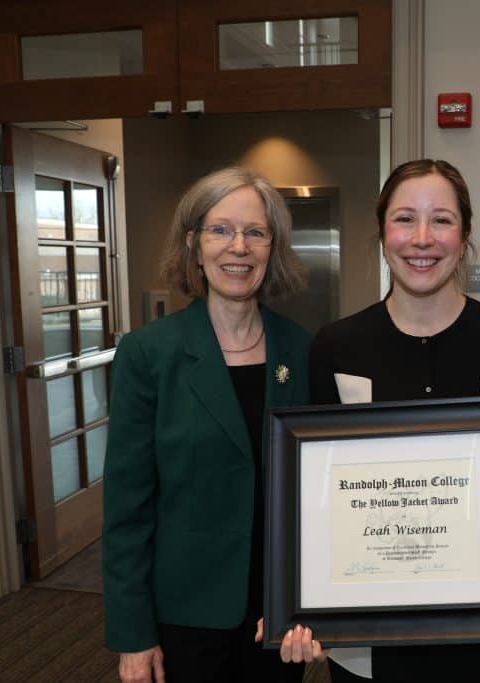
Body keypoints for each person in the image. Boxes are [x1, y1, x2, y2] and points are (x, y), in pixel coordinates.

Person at [274, 159, 480, 682]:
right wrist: (303, 604)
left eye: (443, 220)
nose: (422, 239)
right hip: (369, 638)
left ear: (466, 234)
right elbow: (314, 497)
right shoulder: (336, 349)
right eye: (405, 219)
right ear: (382, 232)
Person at [103, 167, 311, 683]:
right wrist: (134, 635)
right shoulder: (149, 354)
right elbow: (127, 510)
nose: (237, 247)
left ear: (272, 248)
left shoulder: (304, 350)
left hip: (281, 612)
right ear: (194, 245)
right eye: (220, 230)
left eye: (255, 233)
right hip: (186, 615)